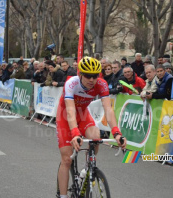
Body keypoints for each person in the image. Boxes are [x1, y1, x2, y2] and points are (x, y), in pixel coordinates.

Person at [56, 57, 127, 198]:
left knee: (95, 136)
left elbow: (108, 109)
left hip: (83, 115)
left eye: (95, 76)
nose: (91, 79)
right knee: (67, 159)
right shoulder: (71, 83)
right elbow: (70, 111)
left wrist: (117, 133)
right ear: (80, 74)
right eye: (88, 76)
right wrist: (75, 133)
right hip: (65, 116)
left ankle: (86, 170)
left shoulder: (101, 84)